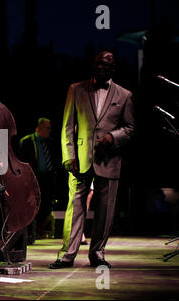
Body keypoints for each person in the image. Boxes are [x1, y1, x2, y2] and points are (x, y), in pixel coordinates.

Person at [49, 51, 135, 269]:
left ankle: (97, 253)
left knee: (105, 210)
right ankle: (66, 255)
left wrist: (113, 137)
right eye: (98, 64)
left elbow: (130, 128)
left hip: (109, 160)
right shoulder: (76, 89)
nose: (102, 68)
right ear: (92, 65)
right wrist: (68, 156)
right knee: (75, 207)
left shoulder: (125, 95)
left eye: (107, 65)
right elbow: (67, 126)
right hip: (80, 160)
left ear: (113, 68)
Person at [19, 118, 59, 243]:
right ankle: (31, 233)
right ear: (39, 128)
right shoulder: (27, 141)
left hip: (47, 179)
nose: (49, 130)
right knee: (32, 205)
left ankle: (40, 231)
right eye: (47, 128)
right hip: (33, 179)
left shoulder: (51, 143)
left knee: (46, 205)